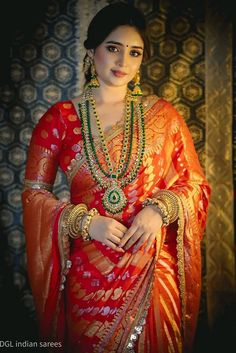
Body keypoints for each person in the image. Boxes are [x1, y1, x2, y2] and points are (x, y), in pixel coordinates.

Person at [22, 2, 211, 353]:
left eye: (134, 52)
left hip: (152, 269)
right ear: (92, 50)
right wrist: (83, 221)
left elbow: (194, 184)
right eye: (113, 48)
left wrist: (161, 210)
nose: (123, 62)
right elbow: (34, 194)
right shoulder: (60, 119)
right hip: (88, 275)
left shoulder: (164, 116)